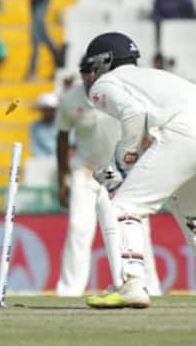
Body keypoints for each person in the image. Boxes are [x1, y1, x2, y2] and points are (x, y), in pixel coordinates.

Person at [80, 32, 196, 309]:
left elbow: (133, 114)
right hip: (187, 130)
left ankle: (131, 282)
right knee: (191, 214)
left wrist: (123, 160)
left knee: (124, 207)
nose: (89, 77)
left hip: (183, 134)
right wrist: (120, 163)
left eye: (91, 69)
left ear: (104, 62)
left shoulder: (106, 83)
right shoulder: (154, 77)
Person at [55, 78, 160, 297]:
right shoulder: (69, 99)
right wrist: (61, 180)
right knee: (78, 229)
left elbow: (147, 132)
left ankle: (149, 287)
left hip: (121, 171)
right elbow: (62, 138)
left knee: (138, 229)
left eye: (96, 72)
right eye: (86, 72)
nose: (91, 77)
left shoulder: (124, 92)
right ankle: (69, 291)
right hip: (86, 171)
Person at [29, 92, 58, 157]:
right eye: (46, 110)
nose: (48, 113)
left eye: (51, 110)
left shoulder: (63, 125)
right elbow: (35, 147)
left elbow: (71, 145)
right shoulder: (36, 127)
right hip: (42, 162)